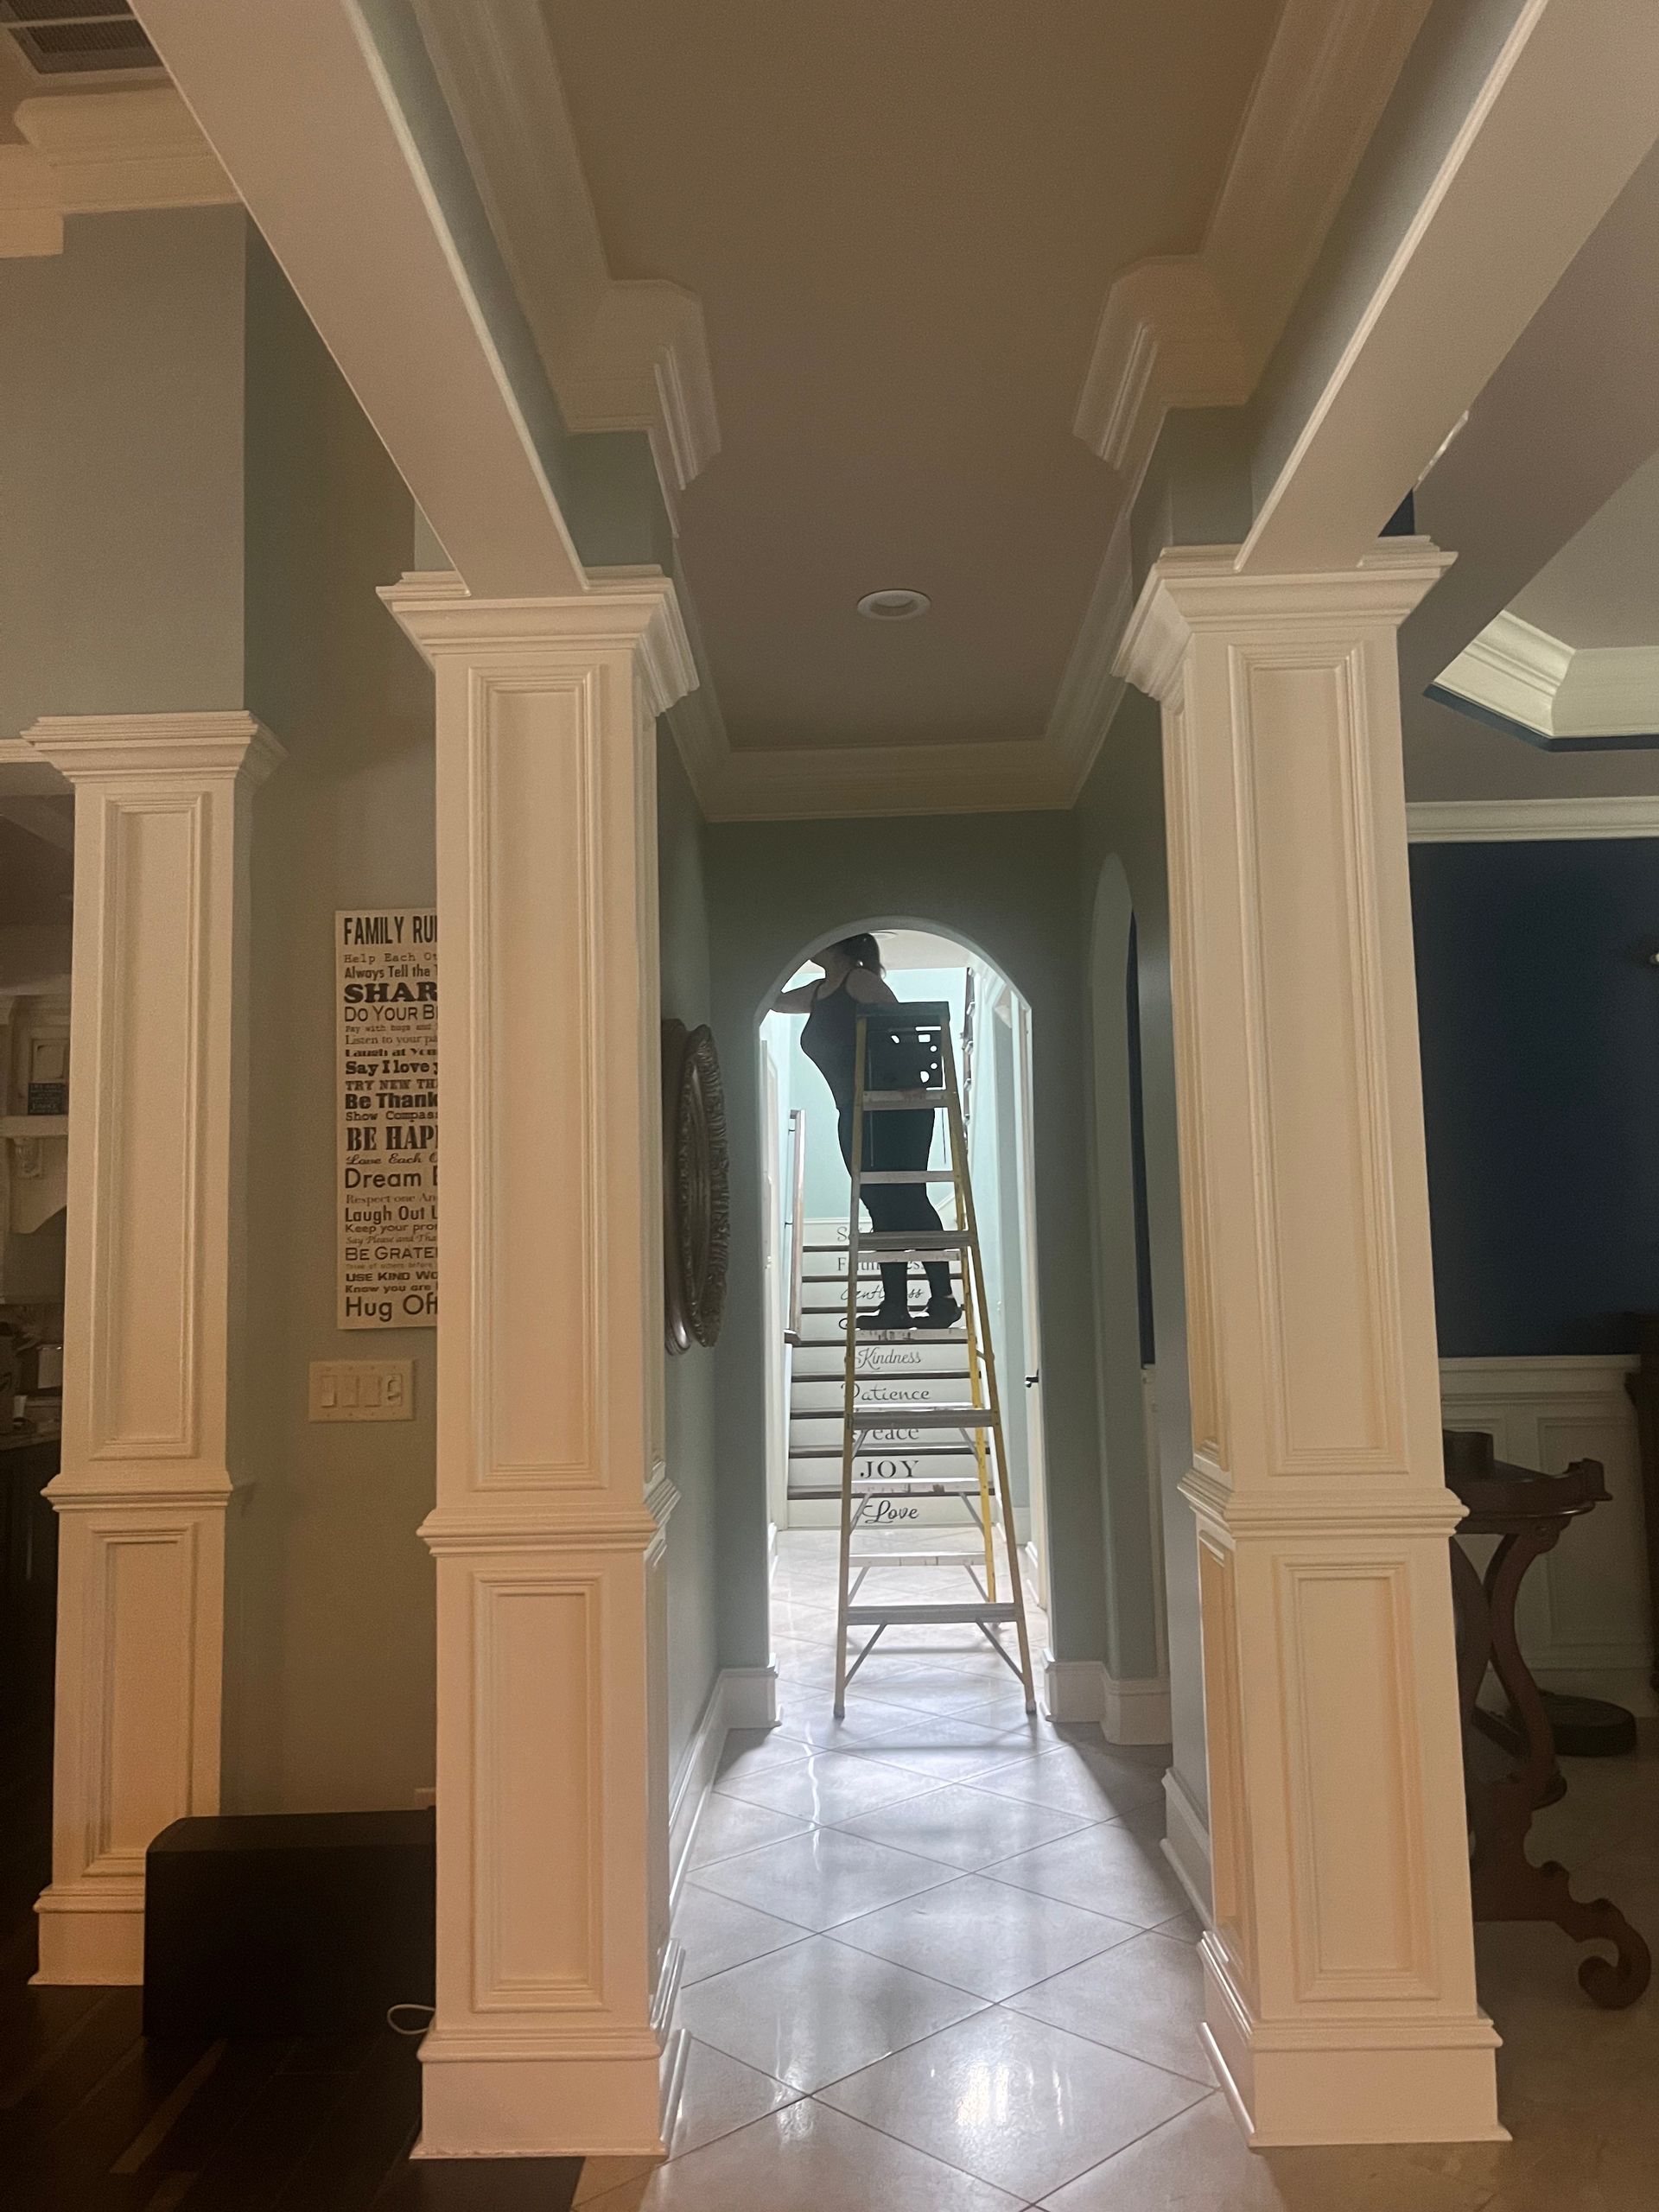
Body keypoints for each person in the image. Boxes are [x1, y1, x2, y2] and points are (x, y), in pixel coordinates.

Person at [776, 933, 962, 1332]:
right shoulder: (817, 992)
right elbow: (773, 1000)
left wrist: (914, 1076)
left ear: (838, 946)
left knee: (907, 1197)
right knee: (879, 1204)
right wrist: (787, 952)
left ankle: (943, 1299)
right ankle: (895, 1304)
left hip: (894, 1105)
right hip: (856, 1110)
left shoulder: (858, 981)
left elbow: (901, 1022)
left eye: (820, 938)